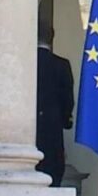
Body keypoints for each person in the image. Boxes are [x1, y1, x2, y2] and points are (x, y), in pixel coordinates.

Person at [36, 26, 75, 187]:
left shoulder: (24, 63)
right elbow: (67, 99)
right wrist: (66, 119)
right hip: (52, 128)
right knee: (52, 174)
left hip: (26, 130)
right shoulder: (61, 65)